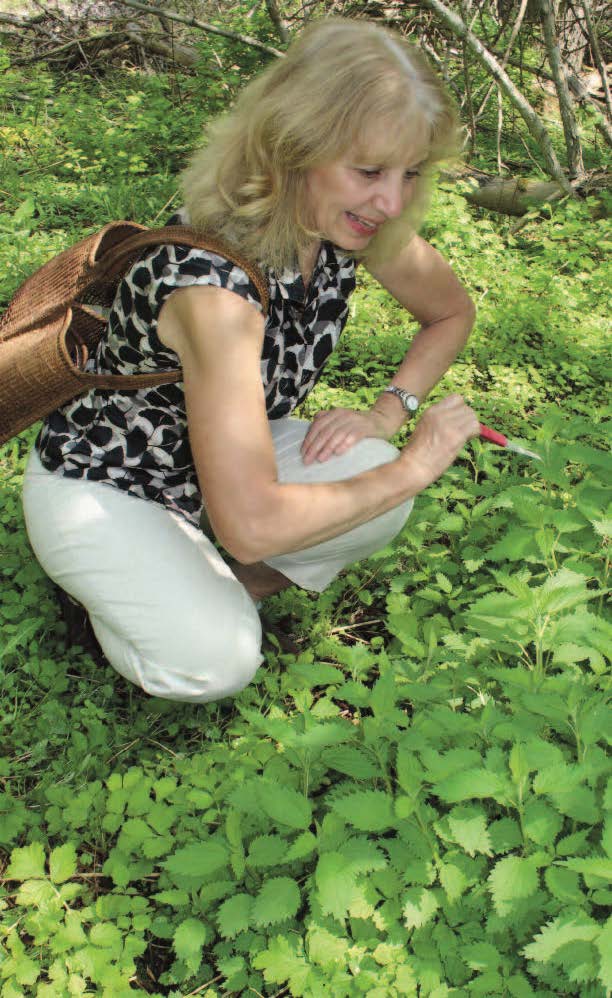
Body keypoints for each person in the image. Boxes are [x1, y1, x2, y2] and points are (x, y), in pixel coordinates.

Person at [22, 18, 479, 703]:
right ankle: (111, 602)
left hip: (219, 470)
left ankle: (217, 585)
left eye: (410, 173)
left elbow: (450, 313)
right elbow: (251, 525)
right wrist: (418, 465)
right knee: (218, 660)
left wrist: (392, 412)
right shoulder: (215, 289)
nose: (392, 201)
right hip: (107, 483)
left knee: (372, 476)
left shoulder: (345, 227)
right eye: (369, 170)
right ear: (295, 149)